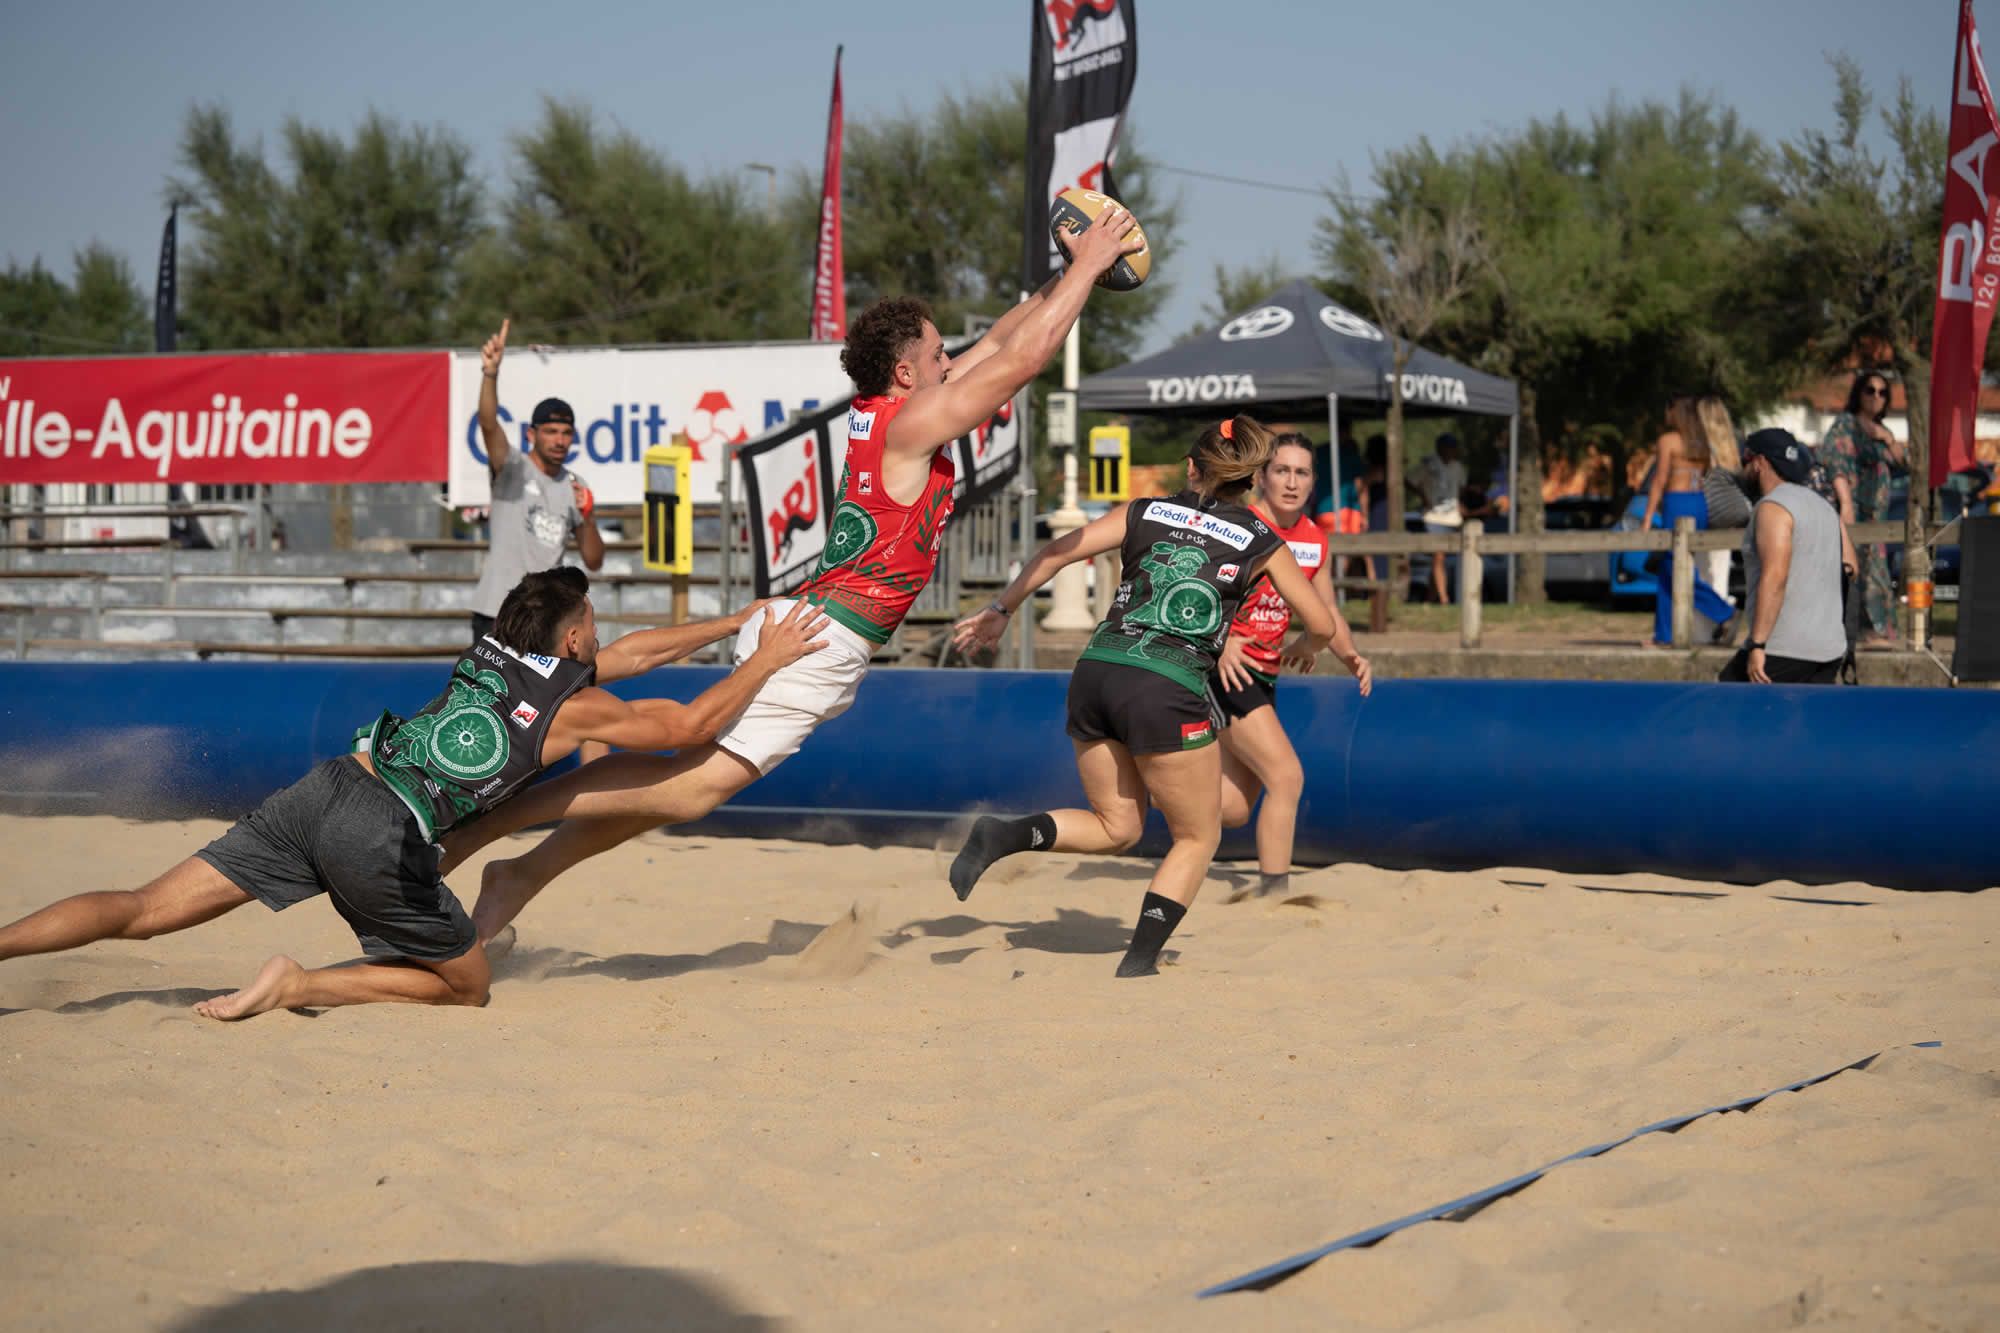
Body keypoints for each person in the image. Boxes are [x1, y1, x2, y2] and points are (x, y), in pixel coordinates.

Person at [424, 203, 1152, 945]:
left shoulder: (889, 407)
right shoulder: (909, 425)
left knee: (670, 790)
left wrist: (1065, 273)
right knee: (687, 790)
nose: (951, 361)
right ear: (907, 372)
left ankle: (519, 875)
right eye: (939, 355)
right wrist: (1093, 265)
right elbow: (1022, 362)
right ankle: (488, 828)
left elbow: (999, 341)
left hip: (812, 623)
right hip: (819, 638)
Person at [0, 570, 828, 1019]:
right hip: (381, 835)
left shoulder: (494, 652)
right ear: (574, 637)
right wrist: (765, 657)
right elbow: (688, 725)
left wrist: (731, 623)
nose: (602, 638)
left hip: (329, 783)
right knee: (467, 983)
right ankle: (298, 983)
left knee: (143, 908)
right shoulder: (574, 711)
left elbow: (635, 653)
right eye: (592, 626)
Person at [946, 415, 1351, 978]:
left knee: (1118, 826)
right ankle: (1139, 962)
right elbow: (1322, 623)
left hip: (1097, 672)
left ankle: (1005, 833)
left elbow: (1058, 552)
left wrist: (1000, 610)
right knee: (1199, 835)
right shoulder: (1263, 541)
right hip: (1166, 684)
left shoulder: (1144, 510)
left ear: (1191, 468)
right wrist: (1307, 644)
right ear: (1251, 481)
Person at [1211, 432, 1373, 900]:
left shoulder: (1314, 539)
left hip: (1264, 675)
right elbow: (1194, 589)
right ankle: (1275, 890)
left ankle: (1153, 783)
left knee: (1234, 808)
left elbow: (1327, 611)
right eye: (1281, 470)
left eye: (1301, 473)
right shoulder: (1237, 525)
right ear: (1261, 477)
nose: (1291, 482)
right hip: (1224, 670)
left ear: (1313, 482)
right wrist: (1222, 641)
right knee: (1286, 776)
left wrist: (1350, 655)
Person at [470, 319, 605, 643]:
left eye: (566, 433)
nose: (559, 440)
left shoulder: (575, 485)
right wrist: (490, 374)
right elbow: (488, 424)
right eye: (551, 431)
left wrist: (588, 518)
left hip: (544, 617)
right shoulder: (512, 467)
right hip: (497, 612)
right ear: (532, 434)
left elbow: (594, 561)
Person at [1719, 430, 1848, 684]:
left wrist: (1757, 644)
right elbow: (1850, 566)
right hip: (1829, 650)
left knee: (1725, 701)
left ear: (1759, 462)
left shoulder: (1773, 507)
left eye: (1745, 462)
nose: (1743, 470)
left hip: (1782, 648)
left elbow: (1775, 577)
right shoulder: (1824, 506)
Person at [1817, 372, 1907, 647]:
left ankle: (1876, 631)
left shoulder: (1880, 430)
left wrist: (1888, 438)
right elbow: (1835, 463)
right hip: (1854, 510)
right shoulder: (1847, 425)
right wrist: (1846, 504)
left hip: (1876, 516)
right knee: (1859, 570)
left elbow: (1902, 463)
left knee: (1874, 569)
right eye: (1870, 390)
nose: (1876, 397)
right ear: (1859, 393)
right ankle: (1867, 631)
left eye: (1882, 392)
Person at [1640, 397, 1735, 647]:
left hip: (1677, 503)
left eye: (1668, 409)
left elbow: (1659, 480)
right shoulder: (1701, 441)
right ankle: (1663, 636)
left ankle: (1724, 611)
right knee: (1667, 569)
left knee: (1677, 568)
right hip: (1699, 503)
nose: (1666, 414)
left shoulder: (1668, 440)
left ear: (1675, 412)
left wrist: (1648, 516)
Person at [1412, 434, 1466, 603]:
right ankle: (1444, 598)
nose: (1452, 451)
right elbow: (1410, 480)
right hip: (1434, 518)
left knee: (1440, 560)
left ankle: (1430, 597)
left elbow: (1461, 488)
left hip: (1453, 518)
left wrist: (1459, 505)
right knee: (1439, 556)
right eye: (1449, 447)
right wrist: (1424, 498)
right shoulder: (1428, 464)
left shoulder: (1458, 467)